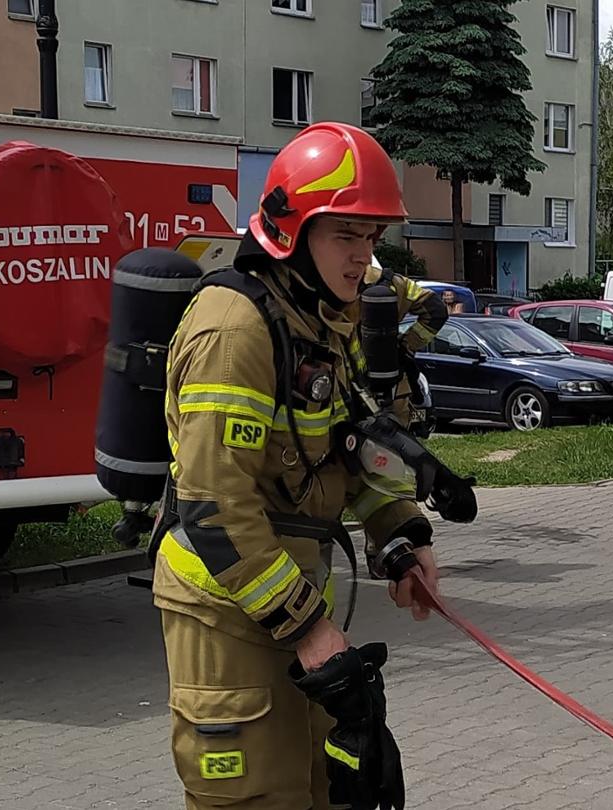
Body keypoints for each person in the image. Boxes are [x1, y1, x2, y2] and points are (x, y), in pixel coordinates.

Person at [155, 121, 437, 810]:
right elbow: (215, 506)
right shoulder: (235, 330)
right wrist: (310, 628)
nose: (362, 257)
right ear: (291, 230)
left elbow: (340, 454)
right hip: (225, 615)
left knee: (320, 793)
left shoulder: (317, 321)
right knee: (259, 800)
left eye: (371, 238)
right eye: (346, 236)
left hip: (284, 603)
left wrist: (401, 533)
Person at [360, 257, 448, 435]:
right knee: (396, 447)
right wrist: (406, 345)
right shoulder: (397, 284)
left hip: (343, 385)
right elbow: (436, 310)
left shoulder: (331, 282)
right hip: (394, 386)